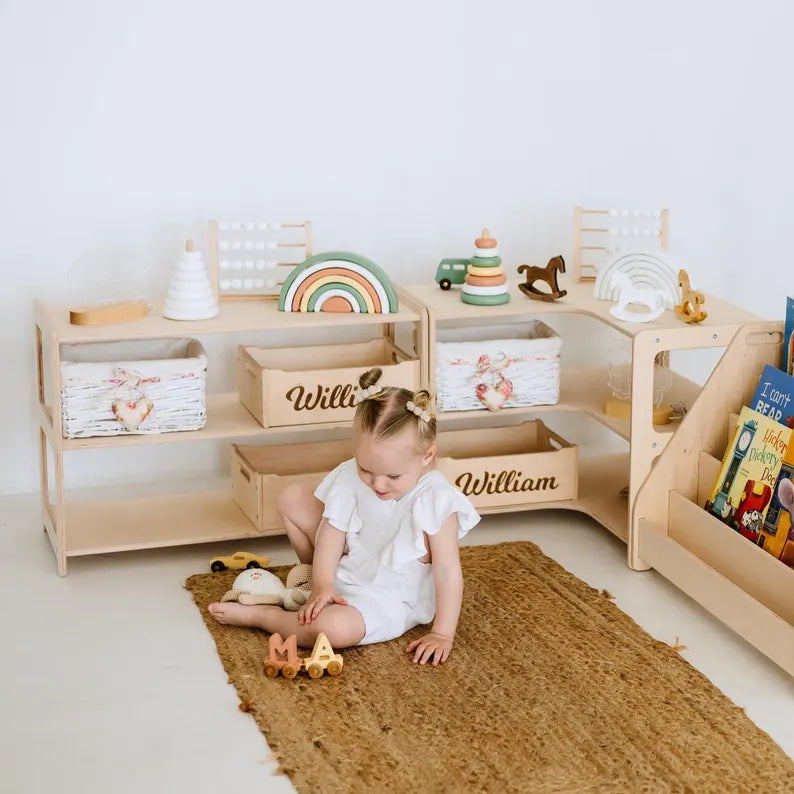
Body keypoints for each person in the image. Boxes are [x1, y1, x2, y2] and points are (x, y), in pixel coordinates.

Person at [208, 367, 479, 666]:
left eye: (392, 475)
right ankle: (315, 585)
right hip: (354, 560)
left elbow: (447, 570)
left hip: (389, 596)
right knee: (291, 498)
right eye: (366, 469)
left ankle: (264, 616)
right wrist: (324, 584)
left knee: (331, 630)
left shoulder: (435, 498)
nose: (377, 484)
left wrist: (443, 632)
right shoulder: (353, 476)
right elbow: (331, 530)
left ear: (426, 456)